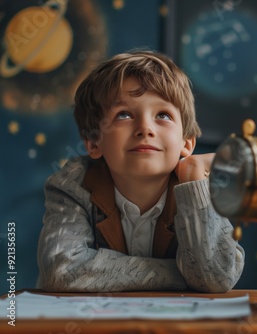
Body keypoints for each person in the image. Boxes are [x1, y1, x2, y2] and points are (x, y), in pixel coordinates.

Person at [37, 50, 245, 292]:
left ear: (186, 143)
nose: (145, 128)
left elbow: (216, 279)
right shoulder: (72, 183)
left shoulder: (201, 185)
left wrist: (195, 184)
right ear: (94, 142)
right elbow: (62, 270)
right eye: (124, 114)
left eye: (163, 115)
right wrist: (183, 275)